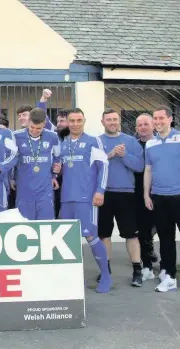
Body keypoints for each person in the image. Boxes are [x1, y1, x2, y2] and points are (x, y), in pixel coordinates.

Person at [59, 108, 112, 293]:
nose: (75, 124)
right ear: (67, 122)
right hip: (67, 198)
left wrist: (100, 191)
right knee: (69, 240)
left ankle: (105, 276)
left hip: (86, 198)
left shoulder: (93, 140)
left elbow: (103, 166)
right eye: (71, 120)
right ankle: (75, 277)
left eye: (78, 120)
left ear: (84, 121)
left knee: (91, 236)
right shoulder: (63, 143)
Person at [144, 105, 180, 292]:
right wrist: (146, 194)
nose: (157, 122)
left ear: (170, 119)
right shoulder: (150, 144)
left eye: (161, 118)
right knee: (165, 239)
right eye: (155, 118)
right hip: (159, 197)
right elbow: (148, 170)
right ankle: (170, 277)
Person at [98, 109, 144, 287]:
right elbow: (92, 166)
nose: (112, 122)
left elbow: (140, 167)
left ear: (119, 121)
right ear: (102, 122)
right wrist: (109, 155)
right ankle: (105, 270)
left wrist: (124, 155)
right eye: (108, 119)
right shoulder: (98, 141)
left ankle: (137, 271)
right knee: (104, 235)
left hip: (126, 193)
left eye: (115, 119)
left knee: (131, 234)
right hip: (104, 193)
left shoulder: (131, 141)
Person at [13, 108, 60, 220]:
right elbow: (11, 159)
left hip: (45, 190)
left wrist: (54, 174)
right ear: (28, 122)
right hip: (24, 189)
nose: (34, 131)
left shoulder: (52, 136)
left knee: (46, 226)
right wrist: (11, 178)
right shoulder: (16, 136)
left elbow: (57, 157)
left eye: (39, 128)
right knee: (24, 226)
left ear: (44, 124)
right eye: (32, 127)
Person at [134, 113, 158, 280]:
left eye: (146, 124)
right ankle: (147, 265)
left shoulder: (160, 144)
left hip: (160, 192)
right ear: (136, 128)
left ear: (153, 125)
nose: (143, 127)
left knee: (162, 229)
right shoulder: (133, 146)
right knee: (143, 229)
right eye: (140, 125)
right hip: (138, 194)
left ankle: (166, 269)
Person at [54, 109, 69, 217]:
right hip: (56, 179)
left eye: (62, 121)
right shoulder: (54, 137)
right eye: (58, 121)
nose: (59, 124)